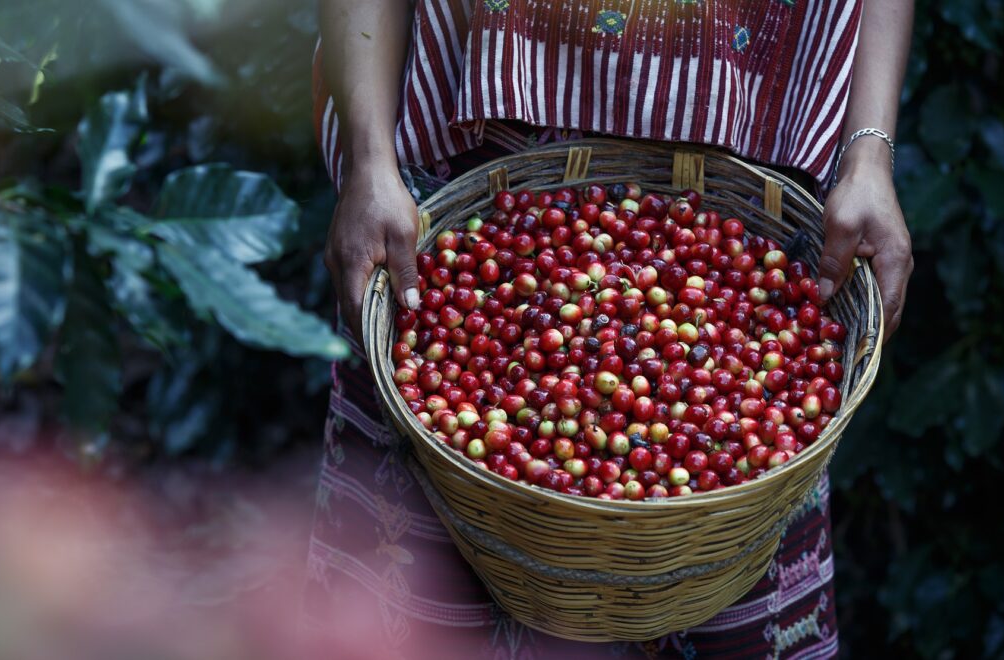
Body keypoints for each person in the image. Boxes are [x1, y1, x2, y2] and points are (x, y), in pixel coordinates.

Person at [306, 1, 914, 657]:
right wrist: (371, 160)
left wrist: (869, 156)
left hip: (739, 196)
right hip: (462, 195)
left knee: (736, 503)